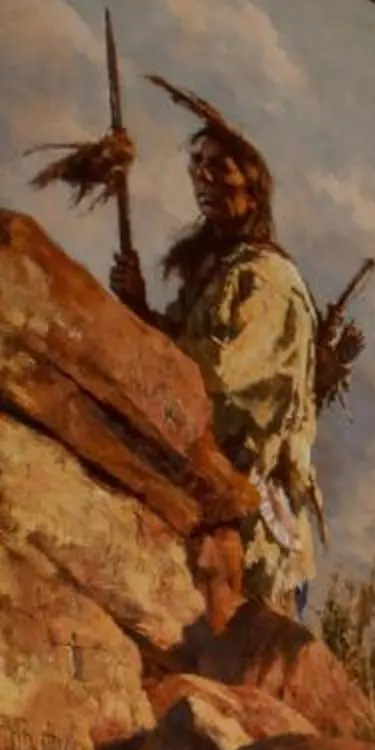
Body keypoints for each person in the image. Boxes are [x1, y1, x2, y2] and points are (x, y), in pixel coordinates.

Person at [110, 81, 322, 616]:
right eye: (197, 165)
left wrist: (144, 346)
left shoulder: (270, 281)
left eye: (219, 167)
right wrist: (138, 310)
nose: (204, 177)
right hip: (210, 509)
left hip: (255, 526)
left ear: (253, 186)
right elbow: (178, 349)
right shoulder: (219, 273)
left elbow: (218, 380)